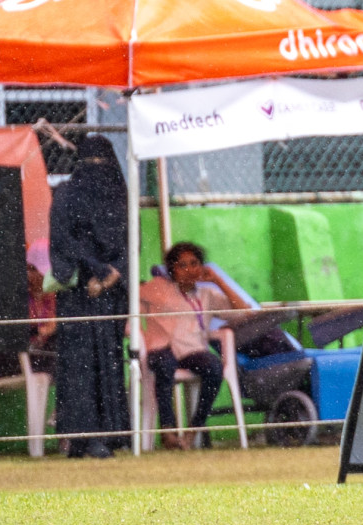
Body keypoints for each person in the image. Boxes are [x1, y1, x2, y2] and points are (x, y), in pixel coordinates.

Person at [49, 134, 130, 459]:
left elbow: (128, 243)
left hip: (109, 295)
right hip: (79, 291)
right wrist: (94, 270)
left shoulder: (121, 197)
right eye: (90, 163)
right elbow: (63, 238)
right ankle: (81, 435)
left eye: (101, 163)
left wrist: (112, 275)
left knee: (108, 362)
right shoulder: (67, 195)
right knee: (80, 364)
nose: (96, 170)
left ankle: (110, 433)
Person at [141, 241, 248, 449]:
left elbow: (243, 311)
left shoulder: (207, 294)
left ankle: (193, 430)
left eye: (194, 263)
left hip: (192, 351)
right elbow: (134, 295)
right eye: (182, 265)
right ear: (171, 269)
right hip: (162, 349)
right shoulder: (159, 289)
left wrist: (218, 281)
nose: (190, 270)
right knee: (165, 365)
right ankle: (168, 432)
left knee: (215, 368)